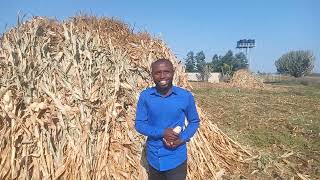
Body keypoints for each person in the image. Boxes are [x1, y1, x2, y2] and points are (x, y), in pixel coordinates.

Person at [135, 58, 200, 180]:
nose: (162, 76)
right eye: (157, 72)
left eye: (166, 72)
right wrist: (162, 132)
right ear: (152, 75)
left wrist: (182, 139)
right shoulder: (145, 96)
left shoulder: (185, 96)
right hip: (154, 157)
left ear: (173, 72)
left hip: (176, 157)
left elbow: (194, 121)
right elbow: (139, 124)